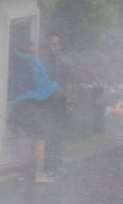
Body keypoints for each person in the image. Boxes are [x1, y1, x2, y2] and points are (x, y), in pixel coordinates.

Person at [8, 39, 59, 183]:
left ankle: (21, 172)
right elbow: (47, 86)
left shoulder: (14, 62)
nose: (34, 54)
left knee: (24, 137)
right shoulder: (32, 63)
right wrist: (57, 83)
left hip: (15, 106)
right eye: (32, 51)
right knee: (39, 137)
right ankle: (38, 175)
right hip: (28, 106)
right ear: (28, 51)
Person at [42, 34, 74, 175]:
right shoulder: (45, 65)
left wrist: (68, 102)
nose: (53, 47)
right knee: (49, 133)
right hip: (49, 102)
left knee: (58, 133)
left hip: (60, 102)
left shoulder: (65, 64)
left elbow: (68, 84)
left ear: (60, 46)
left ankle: (58, 164)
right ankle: (49, 166)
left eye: (55, 44)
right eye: (51, 45)